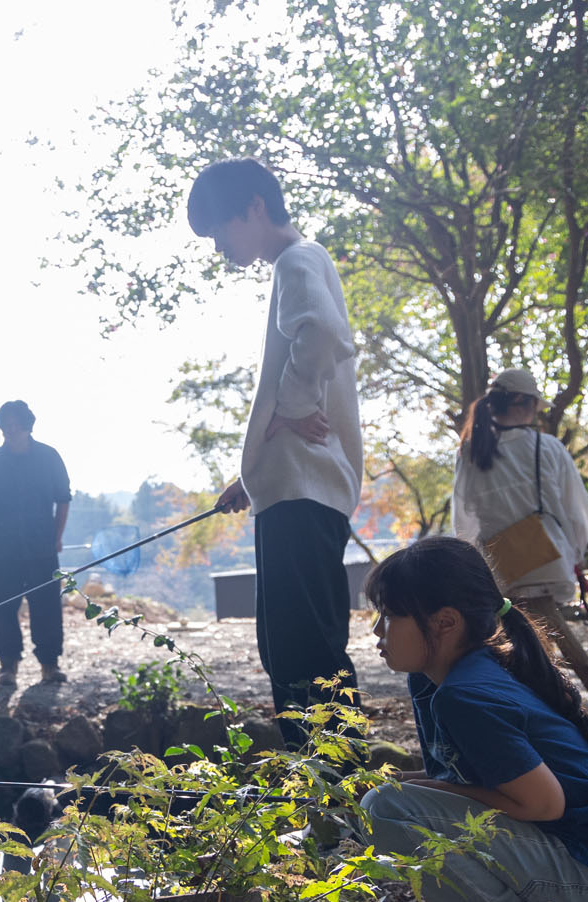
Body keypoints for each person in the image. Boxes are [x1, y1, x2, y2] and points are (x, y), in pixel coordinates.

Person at [359, 536, 588, 902]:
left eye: (389, 614)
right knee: (387, 796)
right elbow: (466, 782)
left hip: (583, 876)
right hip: (570, 864)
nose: (377, 630)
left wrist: (406, 793)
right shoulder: (436, 680)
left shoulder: (466, 693)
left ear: (444, 622)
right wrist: (412, 785)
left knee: (382, 807)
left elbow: (544, 804)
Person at [186, 158, 362, 750]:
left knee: (300, 648)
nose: (221, 248)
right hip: (293, 486)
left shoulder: (297, 259)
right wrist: (257, 472)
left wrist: (285, 408)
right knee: (297, 642)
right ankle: (330, 789)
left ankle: (334, 790)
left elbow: (324, 335)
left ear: (255, 206)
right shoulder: (302, 260)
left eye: (221, 232)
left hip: (304, 491)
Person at [452, 368, 588, 718]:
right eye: (535, 403)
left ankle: (524, 700)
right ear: (522, 402)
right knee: (546, 627)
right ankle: (572, 698)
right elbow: (578, 512)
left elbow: (463, 519)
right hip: (547, 560)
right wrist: (574, 554)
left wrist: (476, 565)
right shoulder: (547, 447)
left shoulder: (470, 450)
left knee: (507, 633)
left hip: (500, 568)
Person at [0, 400, 71, 688]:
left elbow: (63, 500)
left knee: (47, 606)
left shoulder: (49, 457)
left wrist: (56, 537)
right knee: (1, 607)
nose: (10, 428)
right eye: (6, 423)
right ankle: (8, 666)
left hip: (42, 545)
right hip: (3, 549)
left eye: (15, 422)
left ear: (27, 424)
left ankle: (49, 665)